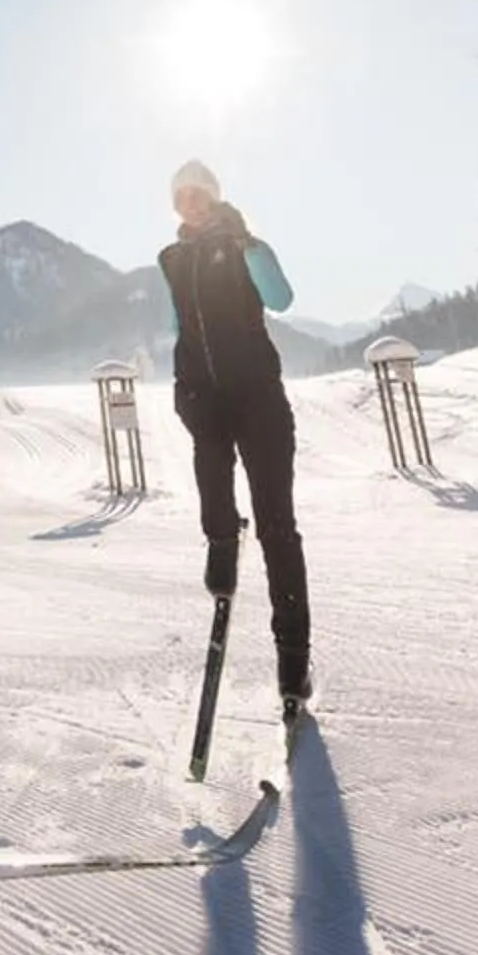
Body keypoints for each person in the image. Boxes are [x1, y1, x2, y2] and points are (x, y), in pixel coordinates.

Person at [158, 159, 310, 720]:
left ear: (214, 198)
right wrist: (184, 388)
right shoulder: (170, 259)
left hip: (260, 402)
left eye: (198, 195)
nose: (190, 204)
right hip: (208, 400)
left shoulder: (247, 245)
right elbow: (180, 326)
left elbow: (281, 298)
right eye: (181, 197)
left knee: (277, 530)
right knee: (210, 477)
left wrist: (249, 247)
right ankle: (221, 541)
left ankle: (294, 663)